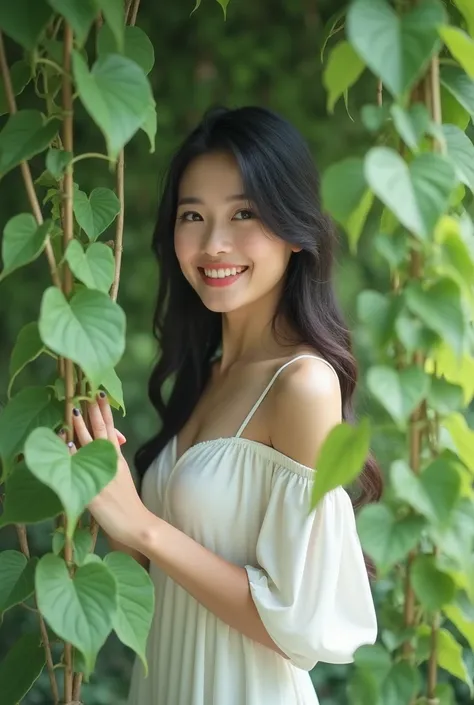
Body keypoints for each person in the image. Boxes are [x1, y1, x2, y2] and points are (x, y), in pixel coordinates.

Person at [70, 106, 381, 705]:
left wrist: (143, 524)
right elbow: (167, 573)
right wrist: (109, 505)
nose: (214, 244)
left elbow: (296, 625)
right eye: (194, 216)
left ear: (294, 230)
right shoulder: (205, 375)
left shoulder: (302, 384)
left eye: (244, 213)